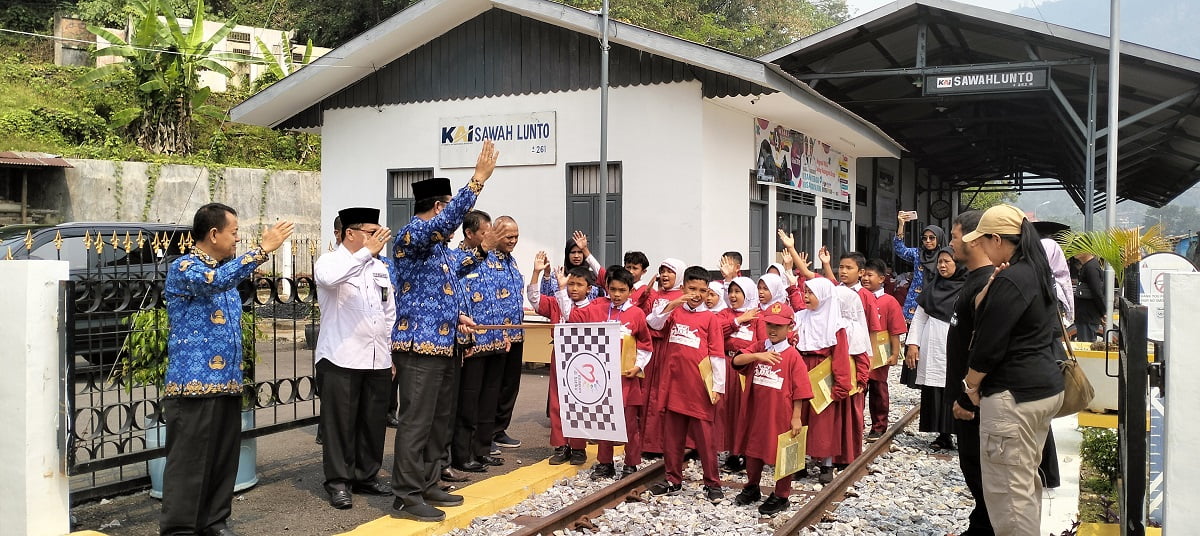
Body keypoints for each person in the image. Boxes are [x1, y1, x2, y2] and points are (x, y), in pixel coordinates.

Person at [161, 204, 294, 536]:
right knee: (190, 463)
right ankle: (180, 529)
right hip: (192, 386)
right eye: (234, 232)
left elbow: (224, 279)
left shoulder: (225, 271)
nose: (237, 238)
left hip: (226, 383)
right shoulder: (185, 267)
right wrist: (262, 250)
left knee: (222, 459)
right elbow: (214, 280)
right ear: (213, 234)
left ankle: (214, 522)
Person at [390, 140, 499, 523]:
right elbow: (442, 226)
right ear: (439, 207)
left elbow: (453, 273)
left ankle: (429, 480)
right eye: (449, 206)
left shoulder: (437, 252)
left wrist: (484, 249)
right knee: (417, 420)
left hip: (444, 343)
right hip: (419, 346)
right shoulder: (412, 236)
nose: (451, 219)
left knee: (439, 420)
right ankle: (405, 494)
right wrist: (477, 182)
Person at [962, 204, 1065, 536]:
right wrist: (987, 293)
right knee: (1023, 483)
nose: (979, 247)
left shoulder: (1012, 277)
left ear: (996, 239)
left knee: (1008, 495)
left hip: (1012, 397)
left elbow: (989, 344)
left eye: (982, 241)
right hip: (1041, 390)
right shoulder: (1036, 271)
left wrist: (971, 385)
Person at [313, 207, 395, 510]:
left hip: (377, 359)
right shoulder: (329, 262)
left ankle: (366, 476)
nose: (379, 237)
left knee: (372, 423)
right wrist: (364, 254)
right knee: (340, 425)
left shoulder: (379, 268)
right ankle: (338, 482)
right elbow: (332, 280)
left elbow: (388, 312)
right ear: (351, 233)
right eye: (372, 232)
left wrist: (389, 351)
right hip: (340, 358)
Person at [646, 266, 726, 502]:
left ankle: (712, 483)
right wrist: (677, 301)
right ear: (683, 288)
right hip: (673, 386)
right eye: (692, 288)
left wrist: (717, 386)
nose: (697, 294)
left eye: (703, 290)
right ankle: (673, 479)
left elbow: (717, 354)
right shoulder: (674, 312)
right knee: (672, 437)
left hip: (700, 387)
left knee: (705, 439)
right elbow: (653, 321)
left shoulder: (710, 318)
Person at [568, 267, 653, 480]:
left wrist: (638, 366)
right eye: (613, 289)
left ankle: (631, 463)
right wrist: (562, 289)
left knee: (629, 423)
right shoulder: (597, 309)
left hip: (626, 378)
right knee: (604, 421)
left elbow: (645, 344)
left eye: (622, 290)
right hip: (601, 379)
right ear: (606, 288)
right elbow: (574, 319)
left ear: (630, 291)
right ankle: (604, 463)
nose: (616, 294)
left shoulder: (637, 314)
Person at [731, 302, 812, 516]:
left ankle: (782, 494)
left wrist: (796, 417)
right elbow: (737, 360)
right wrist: (757, 356)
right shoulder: (760, 346)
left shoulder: (792, 356)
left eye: (779, 326)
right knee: (752, 449)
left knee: (784, 451)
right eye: (769, 324)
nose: (773, 330)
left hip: (780, 413)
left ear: (789, 328)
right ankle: (752, 486)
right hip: (756, 411)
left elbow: (801, 390)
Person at [945, 210, 994, 536]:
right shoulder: (973, 279)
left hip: (974, 402)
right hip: (965, 397)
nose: (951, 242)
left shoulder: (988, 283)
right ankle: (979, 527)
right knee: (971, 468)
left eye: (955, 235)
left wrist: (968, 396)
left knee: (980, 470)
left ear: (975, 239)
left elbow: (988, 346)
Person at [449, 210, 505, 474]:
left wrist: (504, 332)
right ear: (469, 233)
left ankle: (482, 450)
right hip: (472, 343)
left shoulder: (493, 260)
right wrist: (464, 339)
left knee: (488, 402)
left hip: (495, 341)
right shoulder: (458, 260)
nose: (490, 237)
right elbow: (456, 303)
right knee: (468, 403)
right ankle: (463, 453)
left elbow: (500, 299)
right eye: (485, 232)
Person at [527, 256, 590, 465]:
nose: (573, 288)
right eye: (570, 283)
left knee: (580, 403)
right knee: (558, 402)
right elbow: (535, 300)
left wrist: (561, 289)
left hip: (582, 359)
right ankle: (561, 445)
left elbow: (572, 316)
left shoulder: (593, 306)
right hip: (560, 354)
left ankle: (579, 446)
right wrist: (536, 273)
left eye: (578, 284)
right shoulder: (555, 302)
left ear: (589, 288)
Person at [905, 246, 964, 451]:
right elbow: (920, 317)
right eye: (940, 262)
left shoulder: (967, 287)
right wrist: (913, 344)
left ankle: (963, 433)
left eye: (947, 261)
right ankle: (943, 434)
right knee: (937, 388)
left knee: (956, 387)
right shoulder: (933, 287)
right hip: (933, 343)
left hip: (956, 345)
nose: (942, 265)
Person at [795, 277, 852, 484]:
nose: (806, 297)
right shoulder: (800, 317)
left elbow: (840, 357)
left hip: (823, 371)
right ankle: (798, 460)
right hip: (801, 369)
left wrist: (841, 384)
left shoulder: (835, 325)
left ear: (825, 296)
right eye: (805, 292)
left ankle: (826, 463)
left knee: (824, 419)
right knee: (799, 416)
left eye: (811, 293)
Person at [637, 257, 686, 456]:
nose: (665, 275)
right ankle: (643, 440)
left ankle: (659, 443)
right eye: (662, 271)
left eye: (670, 271)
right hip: (650, 347)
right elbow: (642, 314)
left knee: (662, 394)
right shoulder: (654, 294)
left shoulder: (683, 296)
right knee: (646, 393)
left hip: (668, 348)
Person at [488, 216, 526, 452]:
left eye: (516, 237)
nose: (513, 241)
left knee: (510, 385)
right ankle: (486, 433)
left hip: (517, 333)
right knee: (493, 385)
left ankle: (500, 429)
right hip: (496, 335)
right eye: (509, 237)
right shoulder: (486, 261)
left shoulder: (512, 262)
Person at [861, 258, 905, 441]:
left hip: (880, 352)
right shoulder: (858, 296)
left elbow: (895, 330)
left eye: (870, 275)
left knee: (879, 388)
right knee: (859, 389)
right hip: (861, 350)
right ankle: (857, 425)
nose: (865, 278)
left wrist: (895, 353)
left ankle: (879, 425)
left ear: (881, 278)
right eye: (863, 274)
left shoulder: (889, 301)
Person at [720, 276, 760, 473]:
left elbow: (760, 343)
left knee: (744, 411)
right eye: (731, 291)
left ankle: (744, 451)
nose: (733, 296)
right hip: (726, 367)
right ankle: (731, 452)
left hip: (746, 369)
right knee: (727, 410)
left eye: (738, 292)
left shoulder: (758, 317)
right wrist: (738, 321)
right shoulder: (724, 314)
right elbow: (716, 332)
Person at [894, 212, 945, 321]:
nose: (927, 241)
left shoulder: (945, 256)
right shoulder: (918, 254)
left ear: (939, 239)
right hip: (915, 301)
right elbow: (900, 250)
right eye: (924, 238)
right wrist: (901, 225)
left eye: (932, 238)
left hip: (936, 301)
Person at [540, 230, 604, 299]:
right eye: (573, 252)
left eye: (580, 252)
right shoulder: (558, 275)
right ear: (567, 255)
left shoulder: (592, 276)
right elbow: (545, 297)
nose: (576, 256)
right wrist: (547, 275)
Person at [1073, 251, 1104, 343]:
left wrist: (1103, 312)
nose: (1075, 249)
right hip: (1084, 316)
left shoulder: (1091, 268)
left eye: (1079, 246)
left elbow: (1097, 292)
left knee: (1086, 343)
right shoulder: (1087, 266)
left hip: (1088, 316)